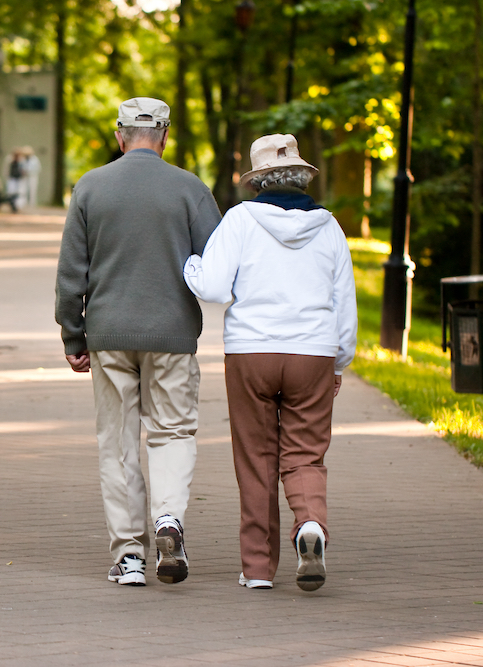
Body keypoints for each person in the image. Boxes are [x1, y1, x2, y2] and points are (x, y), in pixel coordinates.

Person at [55, 97, 222, 586]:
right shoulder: (190, 189)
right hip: (171, 335)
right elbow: (216, 265)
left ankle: (129, 556)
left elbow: (71, 273)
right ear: (166, 134)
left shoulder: (91, 186)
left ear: (119, 135)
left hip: (108, 334)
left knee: (118, 441)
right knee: (172, 433)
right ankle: (169, 520)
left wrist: (72, 334)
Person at [183, 134, 357, 592]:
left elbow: (216, 287)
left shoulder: (240, 220)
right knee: (305, 454)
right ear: (302, 177)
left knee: (256, 458)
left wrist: (190, 268)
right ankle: (310, 525)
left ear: (258, 180)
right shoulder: (330, 227)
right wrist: (339, 361)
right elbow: (345, 302)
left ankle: (258, 569)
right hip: (313, 353)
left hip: (252, 352)